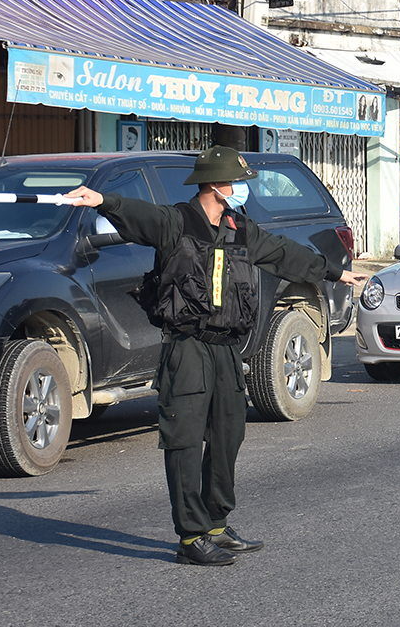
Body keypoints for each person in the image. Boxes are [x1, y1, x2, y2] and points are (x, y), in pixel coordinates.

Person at [65, 146, 367, 567]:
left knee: (229, 434)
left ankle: (216, 524)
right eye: (237, 182)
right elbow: (140, 217)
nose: (243, 189)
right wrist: (104, 201)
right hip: (187, 347)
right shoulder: (176, 222)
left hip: (226, 348)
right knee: (185, 440)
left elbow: (284, 253)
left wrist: (335, 272)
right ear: (215, 185)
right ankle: (190, 537)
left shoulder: (240, 228)